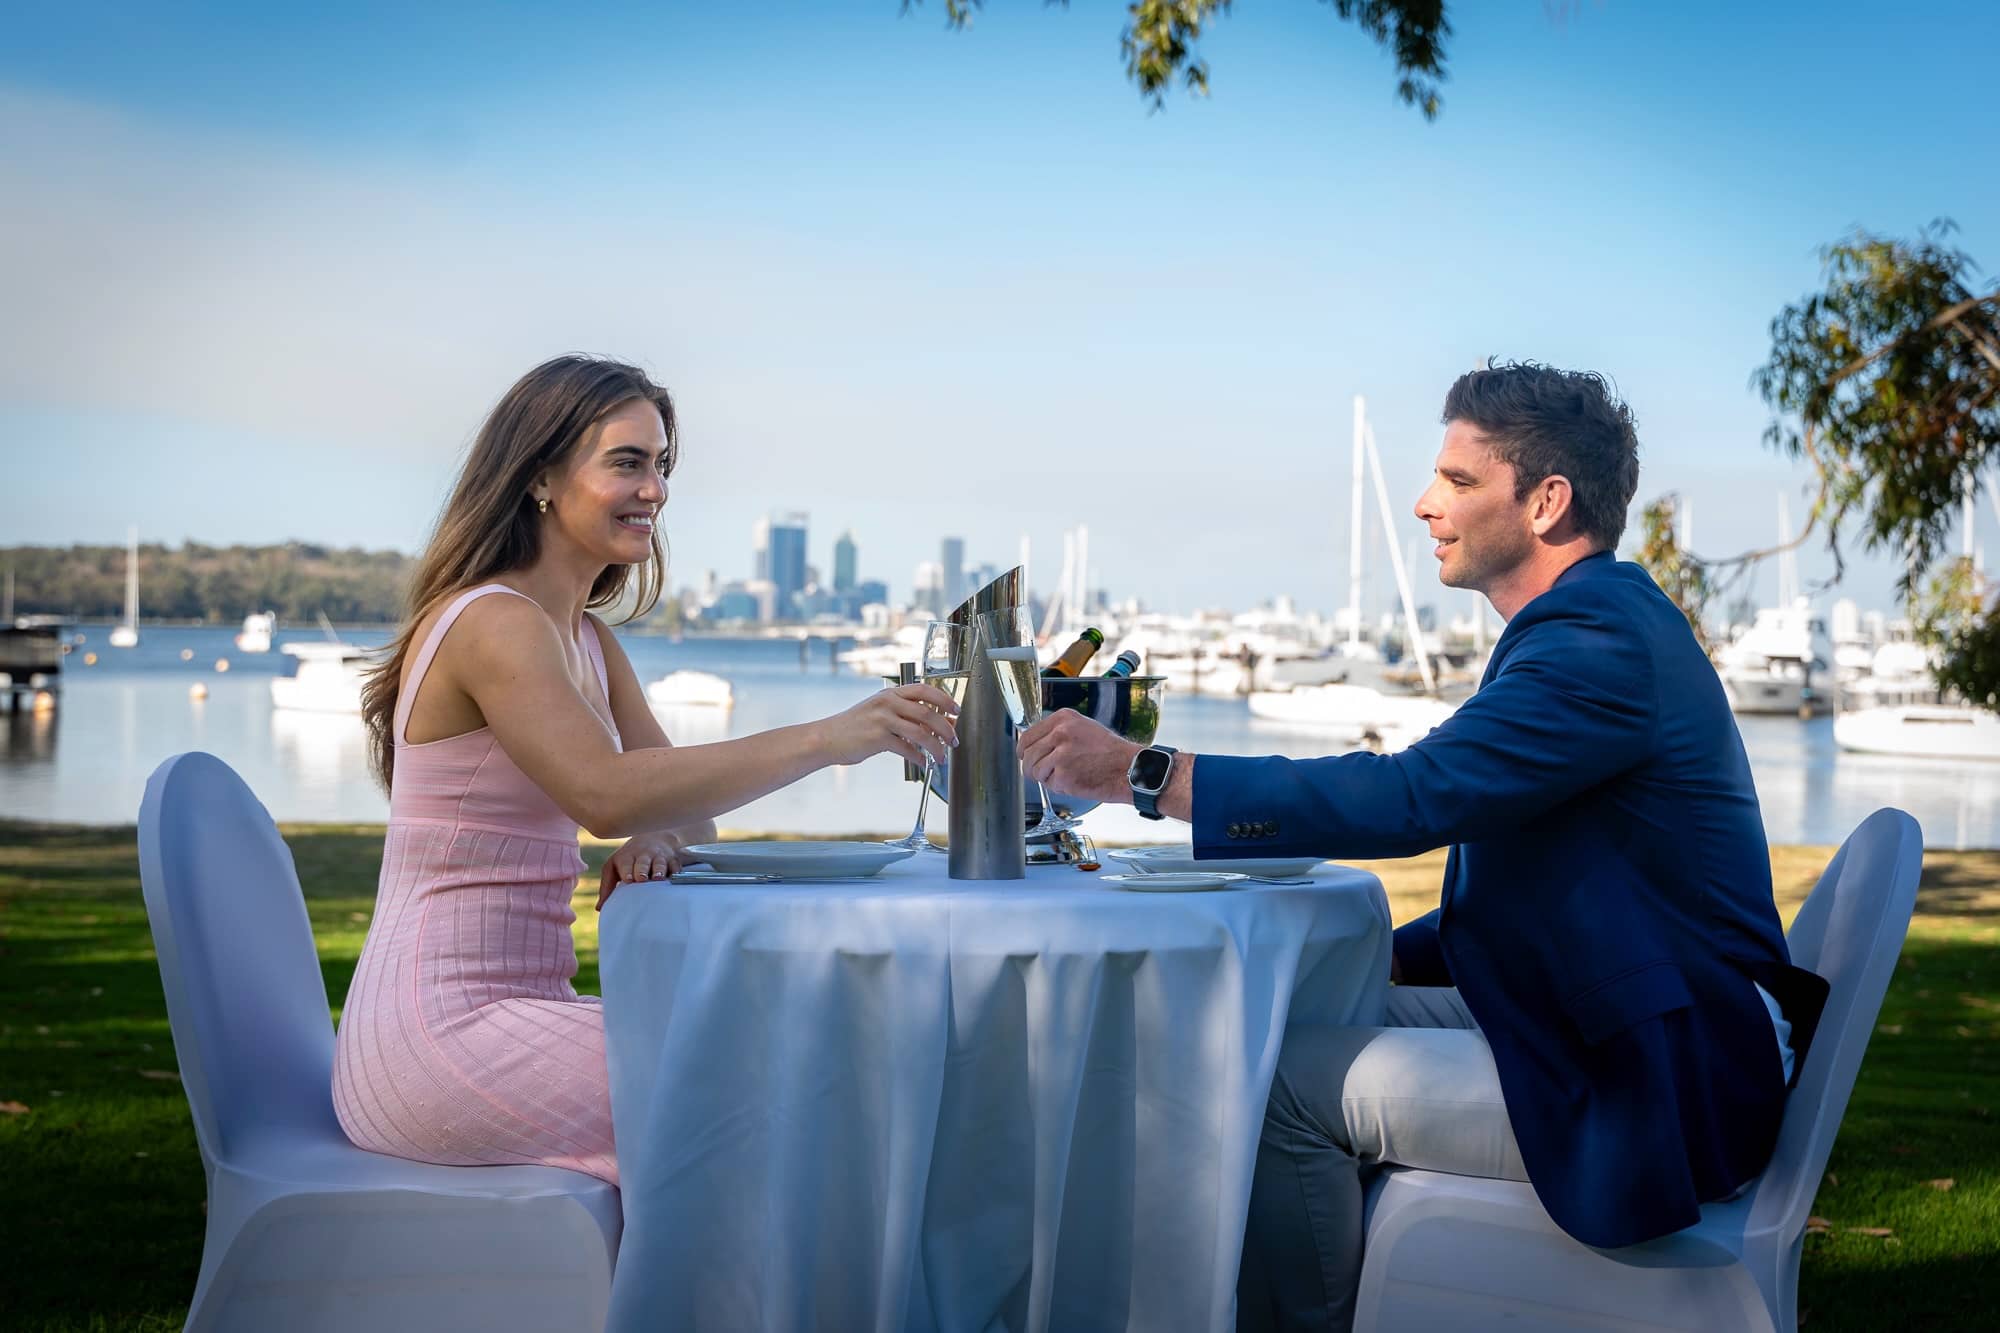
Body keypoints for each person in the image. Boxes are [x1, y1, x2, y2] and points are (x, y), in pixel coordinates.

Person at [1018, 362, 1829, 1331]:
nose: (1421, 504)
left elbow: (1414, 795)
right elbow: (1546, 883)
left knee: (1273, 1083)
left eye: (1455, 480)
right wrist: (1360, 955)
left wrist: (1140, 775)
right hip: (1632, 1020)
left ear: (1545, 501)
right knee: (1262, 1023)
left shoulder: (1594, 642)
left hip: (1656, 1079)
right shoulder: (1592, 623)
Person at [332, 355, 958, 1185]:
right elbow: (601, 793)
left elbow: (683, 813)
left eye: (660, 465)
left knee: (805, 1067)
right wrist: (833, 736)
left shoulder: (587, 639)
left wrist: (660, 831)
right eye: (626, 462)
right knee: (779, 1083)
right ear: (541, 479)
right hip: (434, 1039)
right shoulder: (493, 622)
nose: (655, 489)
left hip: (521, 1019)